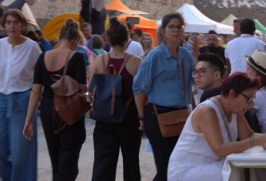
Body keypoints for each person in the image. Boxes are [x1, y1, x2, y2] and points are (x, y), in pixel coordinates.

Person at [167, 72, 266, 181]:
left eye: (254, 98)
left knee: (245, 168)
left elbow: (248, 135)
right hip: (187, 171)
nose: (252, 103)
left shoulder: (235, 109)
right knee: (236, 170)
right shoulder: (207, 111)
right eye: (249, 98)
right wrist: (257, 141)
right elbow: (219, 150)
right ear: (232, 94)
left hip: (213, 164)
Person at [133, 12, 195, 181]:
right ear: (163, 31)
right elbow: (139, 89)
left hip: (182, 116)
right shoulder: (154, 56)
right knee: (165, 169)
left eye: (179, 27)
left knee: (178, 169)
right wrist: (141, 116)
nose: (175, 30)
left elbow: (193, 83)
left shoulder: (186, 56)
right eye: (171, 27)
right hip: (158, 115)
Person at [23, 18, 86, 181]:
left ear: (61, 37)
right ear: (75, 40)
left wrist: (28, 120)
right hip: (68, 111)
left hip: (47, 110)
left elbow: (36, 91)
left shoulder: (43, 56)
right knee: (69, 158)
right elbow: (82, 89)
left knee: (56, 158)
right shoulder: (77, 57)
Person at [89, 17, 143, 181]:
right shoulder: (136, 62)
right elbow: (140, 93)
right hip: (129, 117)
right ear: (128, 39)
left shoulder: (100, 59)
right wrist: (142, 116)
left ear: (109, 39)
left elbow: (91, 88)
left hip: (104, 116)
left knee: (102, 164)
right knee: (131, 162)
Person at [0, 9, 41, 181]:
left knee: (21, 153)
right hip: (1, 101)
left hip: (23, 101)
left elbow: (41, 77)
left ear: (23, 25)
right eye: (8, 22)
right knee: (1, 149)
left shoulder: (32, 48)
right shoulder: (0, 45)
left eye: (16, 22)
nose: (12, 26)